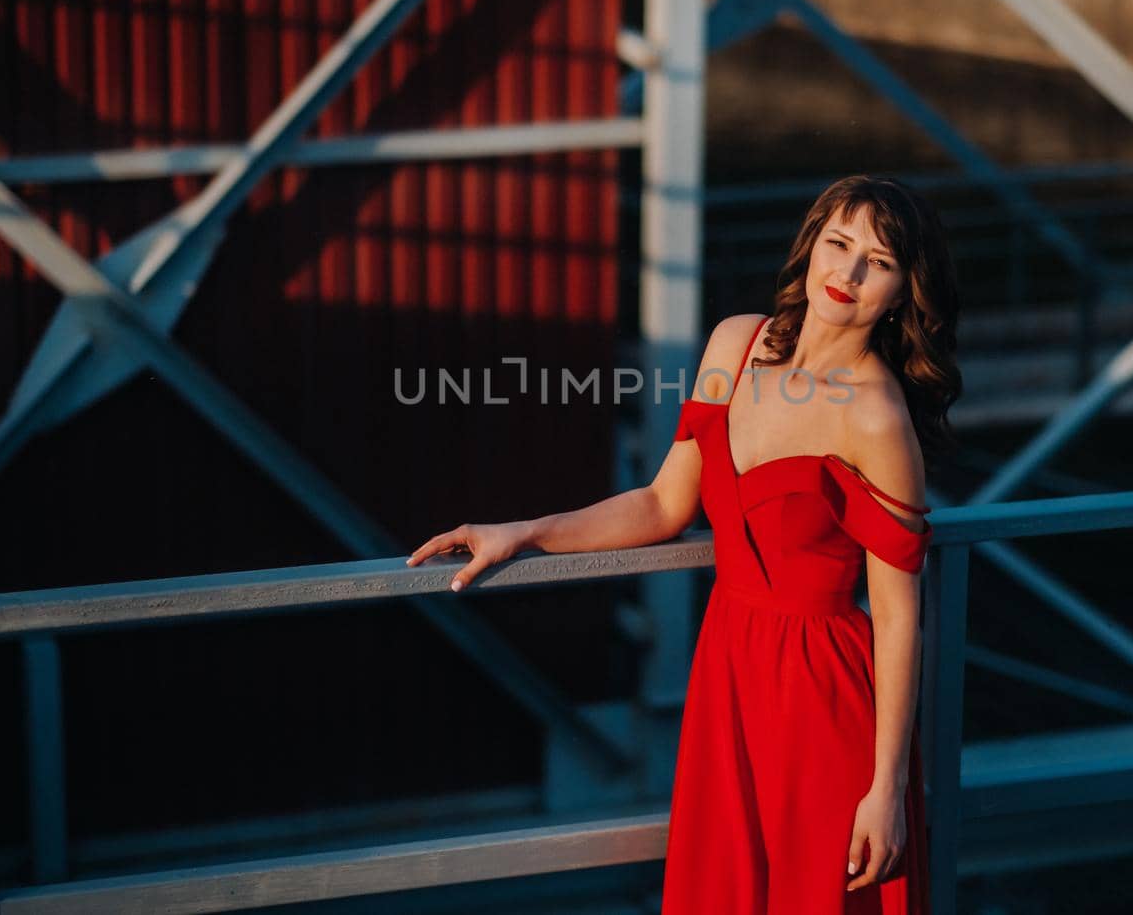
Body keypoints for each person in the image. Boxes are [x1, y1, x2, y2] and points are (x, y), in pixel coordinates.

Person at [408, 174, 962, 913]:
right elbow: (664, 502)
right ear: (811, 244)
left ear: (901, 290)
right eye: (839, 244)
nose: (849, 273)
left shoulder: (876, 417)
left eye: (879, 261)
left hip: (822, 699)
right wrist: (524, 532)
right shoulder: (735, 344)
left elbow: (898, 617)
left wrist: (886, 788)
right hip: (728, 668)